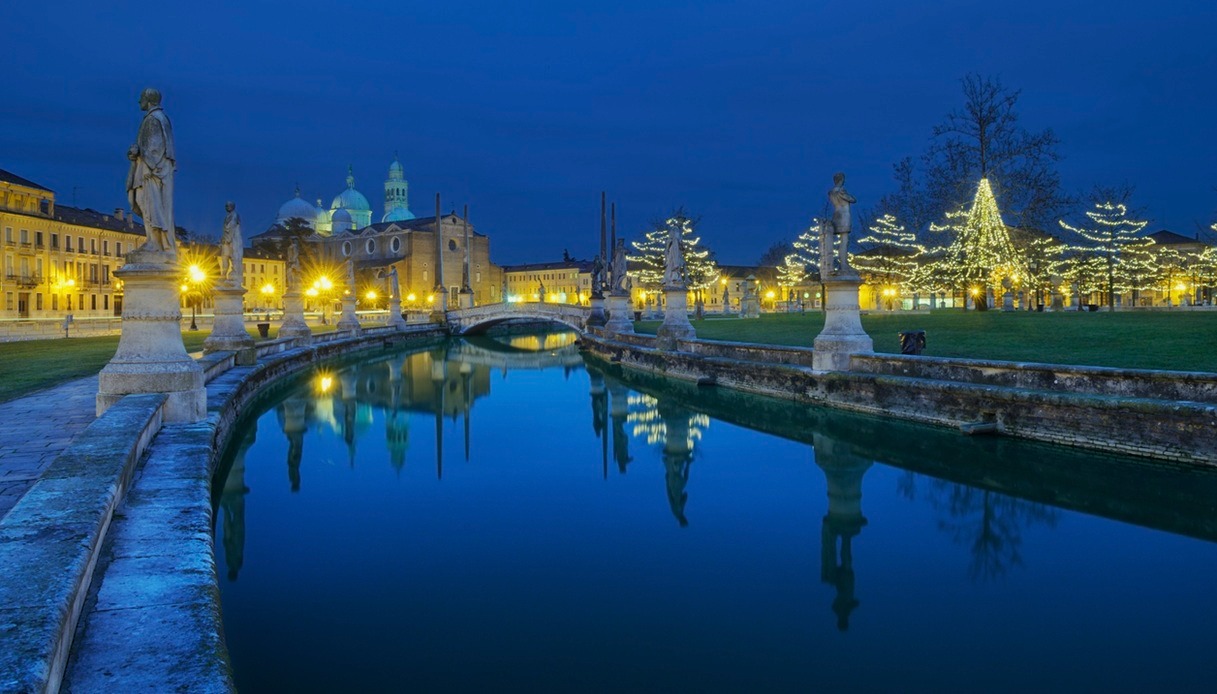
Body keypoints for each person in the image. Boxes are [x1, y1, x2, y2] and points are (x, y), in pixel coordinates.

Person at [126, 87, 177, 256]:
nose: (138, 101)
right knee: (145, 203)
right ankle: (152, 241)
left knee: (150, 205)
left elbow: (155, 148)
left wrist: (143, 156)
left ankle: (155, 243)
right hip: (149, 169)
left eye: (141, 97)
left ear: (149, 99)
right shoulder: (154, 118)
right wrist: (136, 152)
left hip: (151, 172)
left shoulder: (155, 119)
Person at [827, 172, 857, 275]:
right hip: (844, 216)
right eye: (843, 179)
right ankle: (844, 264)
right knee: (844, 241)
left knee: (842, 241)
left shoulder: (831, 192)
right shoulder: (841, 191)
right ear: (840, 180)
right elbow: (853, 199)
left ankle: (843, 263)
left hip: (836, 215)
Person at [219, 201, 243, 287]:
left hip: (232, 240)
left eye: (229, 206)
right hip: (225, 240)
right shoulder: (227, 217)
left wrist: (229, 239)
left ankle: (235, 274)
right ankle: (223, 275)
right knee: (224, 257)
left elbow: (232, 227)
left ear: (233, 206)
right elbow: (225, 229)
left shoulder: (235, 215)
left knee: (234, 257)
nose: (227, 207)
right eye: (226, 206)